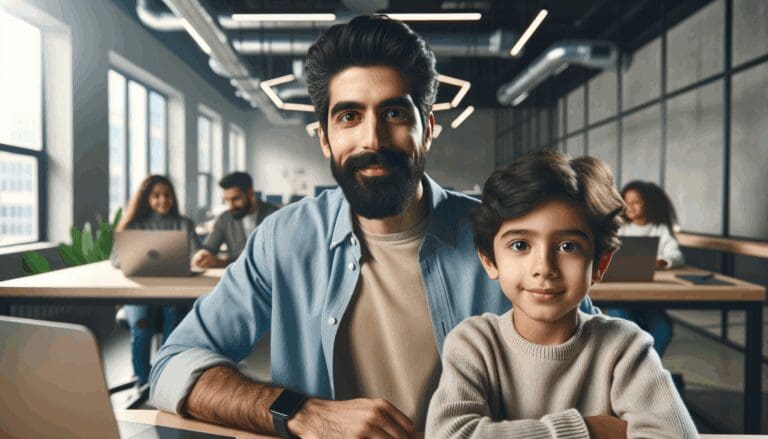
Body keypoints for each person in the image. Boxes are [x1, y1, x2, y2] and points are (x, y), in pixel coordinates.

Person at [148, 15, 598, 437]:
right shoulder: (284, 239)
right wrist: (301, 412)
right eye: (348, 117)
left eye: (395, 114)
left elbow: (615, 388)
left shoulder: (505, 234)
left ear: (428, 127)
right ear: (324, 136)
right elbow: (172, 364)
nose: (372, 140)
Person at [425, 152, 698, 438]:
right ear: (489, 261)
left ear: (599, 264)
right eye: (520, 245)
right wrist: (587, 430)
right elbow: (448, 435)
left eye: (568, 246)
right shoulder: (474, 343)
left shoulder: (623, 346)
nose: (544, 268)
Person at [111, 175, 201, 388]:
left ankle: (166, 380)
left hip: (175, 291)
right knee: (142, 327)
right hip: (140, 292)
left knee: (174, 324)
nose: (163, 200)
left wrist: (200, 257)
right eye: (156, 196)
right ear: (146, 199)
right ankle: (143, 381)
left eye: (167, 195)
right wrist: (133, 259)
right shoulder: (133, 225)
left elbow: (197, 254)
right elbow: (115, 259)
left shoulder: (184, 223)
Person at [606, 180, 684, 356]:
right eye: (627, 203)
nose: (630, 207)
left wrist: (662, 262)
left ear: (648, 204)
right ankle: (631, 371)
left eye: (636, 202)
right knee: (623, 326)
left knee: (663, 330)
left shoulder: (660, 229)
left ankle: (646, 370)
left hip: (649, 297)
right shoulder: (621, 229)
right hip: (621, 296)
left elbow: (677, 256)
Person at [192, 172, 280, 268]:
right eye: (227, 200)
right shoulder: (224, 219)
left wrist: (222, 262)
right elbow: (210, 248)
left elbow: (278, 257)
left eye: (235, 199)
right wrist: (203, 254)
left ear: (250, 193)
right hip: (237, 278)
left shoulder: (276, 216)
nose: (231, 205)